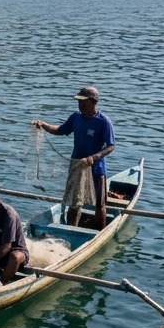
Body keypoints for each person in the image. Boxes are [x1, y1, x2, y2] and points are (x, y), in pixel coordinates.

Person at [33, 86, 116, 229]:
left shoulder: (103, 121)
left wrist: (94, 157)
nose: (80, 104)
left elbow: (111, 146)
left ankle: (99, 231)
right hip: (77, 165)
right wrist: (44, 125)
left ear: (93, 102)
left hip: (95, 167)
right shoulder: (76, 117)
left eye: (83, 101)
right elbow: (61, 130)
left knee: (99, 203)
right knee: (74, 201)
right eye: (79, 101)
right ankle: (71, 229)